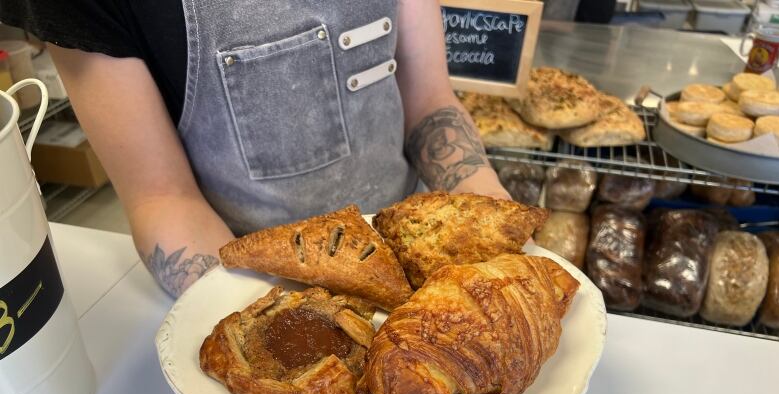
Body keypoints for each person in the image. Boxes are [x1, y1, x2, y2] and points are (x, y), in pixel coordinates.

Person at [0, 1, 511, 298]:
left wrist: (495, 223)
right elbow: (162, 197)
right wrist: (264, 325)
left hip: (419, 255)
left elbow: (428, 103)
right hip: (247, 281)